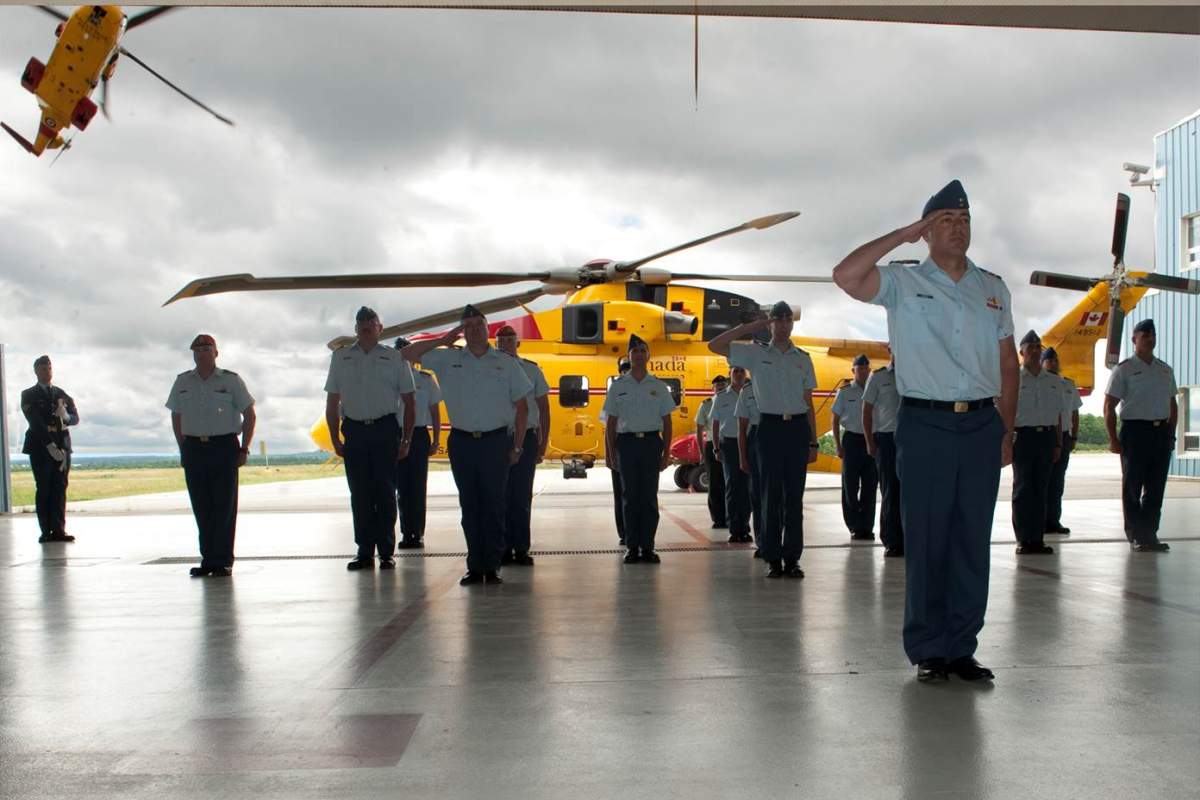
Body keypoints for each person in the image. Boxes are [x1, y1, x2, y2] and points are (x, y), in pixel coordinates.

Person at [832, 179, 1017, 683]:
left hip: (981, 423)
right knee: (929, 536)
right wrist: (906, 233)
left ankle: (962, 646)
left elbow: (1008, 363)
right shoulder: (904, 282)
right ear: (929, 231)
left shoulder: (993, 288)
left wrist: (1006, 427)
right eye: (945, 222)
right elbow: (845, 275)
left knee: (971, 538)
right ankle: (930, 649)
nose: (957, 229)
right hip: (926, 422)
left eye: (964, 221)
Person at [402, 305, 532, 584]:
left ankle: (493, 565)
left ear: (488, 329)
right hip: (462, 443)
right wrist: (442, 340)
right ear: (462, 330)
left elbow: (522, 408)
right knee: (470, 506)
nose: (474, 329)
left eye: (478, 324)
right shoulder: (448, 359)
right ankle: (475, 565)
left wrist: (518, 445)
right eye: (468, 325)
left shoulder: (506, 362)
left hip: (496, 442)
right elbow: (406, 354)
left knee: (495, 505)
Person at [709, 301, 818, 579]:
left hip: (796, 430)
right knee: (769, 497)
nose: (782, 325)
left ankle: (792, 558)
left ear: (792, 324)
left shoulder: (803, 358)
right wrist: (753, 326)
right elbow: (715, 345)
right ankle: (773, 558)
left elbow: (808, 402)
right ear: (771, 324)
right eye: (777, 320)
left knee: (794, 498)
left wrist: (813, 441)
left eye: (786, 320)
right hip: (768, 429)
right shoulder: (755, 355)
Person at [325, 307, 416, 571]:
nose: (366, 325)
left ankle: (386, 551)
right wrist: (334, 437)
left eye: (371, 321)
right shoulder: (341, 358)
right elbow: (332, 400)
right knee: (360, 494)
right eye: (361, 322)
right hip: (354, 431)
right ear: (355, 329)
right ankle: (364, 551)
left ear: (380, 328)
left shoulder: (395, 358)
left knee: (386, 493)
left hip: (385, 430)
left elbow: (409, 401)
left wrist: (407, 438)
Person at [166, 335, 256, 577]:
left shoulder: (231, 380)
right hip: (194, 448)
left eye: (207, 349)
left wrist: (244, 447)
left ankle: (223, 560)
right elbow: (176, 415)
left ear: (216, 353)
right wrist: (182, 446)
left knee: (224, 506)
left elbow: (249, 414)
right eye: (197, 350)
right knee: (202, 505)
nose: (201, 354)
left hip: (223, 447)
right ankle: (208, 559)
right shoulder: (183, 381)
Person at [1104, 318, 1177, 553]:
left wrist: (1171, 434)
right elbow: (1109, 406)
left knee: (1156, 488)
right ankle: (1136, 534)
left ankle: (1150, 535)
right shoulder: (1124, 369)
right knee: (1133, 486)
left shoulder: (1165, 369)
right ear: (1134, 339)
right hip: (1135, 433)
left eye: (1153, 334)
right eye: (1145, 335)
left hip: (1160, 433)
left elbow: (1172, 404)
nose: (1150, 338)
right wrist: (1113, 439)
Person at [603, 334, 676, 564]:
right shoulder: (617, 387)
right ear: (629, 356)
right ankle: (632, 547)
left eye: (643, 351)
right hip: (627, 445)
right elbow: (611, 423)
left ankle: (648, 547)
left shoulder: (658, 386)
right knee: (630, 497)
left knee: (648, 498)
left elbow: (667, 421)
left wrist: (666, 452)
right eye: (635, 352)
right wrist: (610, 452)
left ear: (648, 356)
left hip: (651, 444)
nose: (639, 355)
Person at [496, 325, 550, 566]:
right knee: (499, 495)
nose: (506, 343)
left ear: (518, 344)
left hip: (526, 436)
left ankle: (520, 548)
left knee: (521, 495)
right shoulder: (490, 371)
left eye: (510, 339)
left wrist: (542, 443)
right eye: (501, 340)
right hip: (497, 437)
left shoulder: (532, 370)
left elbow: (544, 408)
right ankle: (502, 547)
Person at [1010, 330, 1061, 555]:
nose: (1034, 349)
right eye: (1029, 347)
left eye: (1037, 346)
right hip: (1023, 437)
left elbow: (1059, 414)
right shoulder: (1013, 379)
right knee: (1022, 489)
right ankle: (1023, 539)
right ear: (1021, 352)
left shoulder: (1053, 380)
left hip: (1046, 437)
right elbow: (1006, 411)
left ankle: (1037, 539)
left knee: (1041, 490)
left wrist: (1059, 443)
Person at [20, 355, 79, 543]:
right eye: (43, 368)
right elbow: (35, 422)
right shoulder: (29, 394)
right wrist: (49, 445)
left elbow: (75, 417)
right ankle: (46, 531)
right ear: (36, 371)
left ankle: (59, 529)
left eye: (49, 368)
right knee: (44, 487)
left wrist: (67, 417)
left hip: (62, 444)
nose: (47, 372)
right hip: (41, 446)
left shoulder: (61, 394)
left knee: (60, 487)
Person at [394, 337, 442, 549]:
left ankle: (418, 533)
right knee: (401, 487)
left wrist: (437, 438)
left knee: (418, 486)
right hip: (396, 434)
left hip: (420, 434)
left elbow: (435, 411)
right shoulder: (390, 379)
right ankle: (406, 533)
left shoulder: (425, 379)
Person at [832, 354, 879, 540]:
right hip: (851, 441)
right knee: (850, 487)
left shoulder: (875, 389)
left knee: (870, 486)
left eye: (866, 369)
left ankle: (866, 527)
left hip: (871, 440)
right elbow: (834, 420)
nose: (864, 372)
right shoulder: (845, 392)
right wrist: (837, 445)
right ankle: (854, 525)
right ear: (853, 371)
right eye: (860, 369)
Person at [862, 351, 904, 557]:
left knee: (910, 492)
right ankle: (892, 540)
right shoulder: (878, 377)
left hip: (912, 441)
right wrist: (870, 441)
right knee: (890, 490)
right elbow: (866, 410)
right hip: (887, 440)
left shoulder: (915, 375)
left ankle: (909, 538)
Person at [711, 366, 753, 543]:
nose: (739, 374)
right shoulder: (721, 397)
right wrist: (716, 448)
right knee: (733, 486)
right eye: (735, 371)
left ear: (746, 374)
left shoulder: (753, 393)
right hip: (729, 445)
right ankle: (735, 528)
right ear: (730, 374)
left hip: (750, 443)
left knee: (748, 487)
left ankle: (745, 525)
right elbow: (715, 424)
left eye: (742, 371)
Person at [1041, 347, 1080, 536]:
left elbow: (1074, 412)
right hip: (1045, 436)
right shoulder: (1040, 383)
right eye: (1050, 360)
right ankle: (1040, 521)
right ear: (1042, 363)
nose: (1054, 363)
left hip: (1064, 435)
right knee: (1042, 481)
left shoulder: (1068, 384)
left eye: (1056, 360)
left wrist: (1074, 436)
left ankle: (1053, 521)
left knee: (1057, 482)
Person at [600, 356, 632, 546]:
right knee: (620, 493)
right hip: (620, 444)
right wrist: (609, 455)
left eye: (628, 369)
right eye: (623, 370)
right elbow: (608, 428)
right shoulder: (615, 392)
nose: (625, 373)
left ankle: (638, 532)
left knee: (640, 493)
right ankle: (624, 532)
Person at [694, 375, 728, 528]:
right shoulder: (706, 405)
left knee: (731, 482)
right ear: (712, 388)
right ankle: (717, 518)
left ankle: (730, 516)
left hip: (728, 443)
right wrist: (702, 452)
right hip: (711, 446)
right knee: (714, 483)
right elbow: (699, 429)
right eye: (717, 385)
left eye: (723, 385)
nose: (720, 387)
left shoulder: (733, 401)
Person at [735, 380, 764, 556]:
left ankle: (778, 540)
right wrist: (743, 457)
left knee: (780, 494)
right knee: (758, 495)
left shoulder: (781, 382)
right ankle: (762, 542)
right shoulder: (747, 391)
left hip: (779, 433)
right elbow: (741, 428)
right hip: (756, 435)